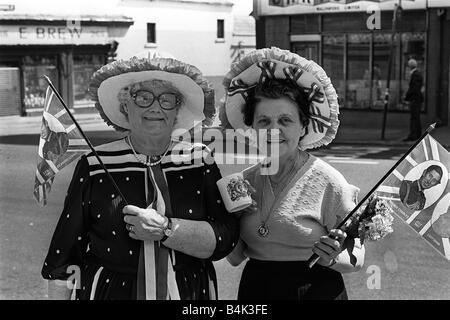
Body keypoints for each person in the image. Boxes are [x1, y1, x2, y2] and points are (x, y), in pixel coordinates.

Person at [41, 57, 239, 300]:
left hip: (190, 292)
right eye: (143, 97)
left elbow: (225, 236)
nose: (155, 107)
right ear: (126, 106)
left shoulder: (199, 159)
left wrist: (166, 229)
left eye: (167, 99)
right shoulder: (94, 164)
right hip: (110, 292)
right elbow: (65, 256)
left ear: (177, 110)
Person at [220, 47, 365, 300]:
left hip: (315, 289)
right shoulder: (244, 181)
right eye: (264, 121)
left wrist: (332, 258)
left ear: (303, 126)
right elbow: (235, 257)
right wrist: (230, 222)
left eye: (285, 120)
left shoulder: (330, 182)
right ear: (252, 127)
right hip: (256, 289)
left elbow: (357, 259)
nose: (273, 130)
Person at [403, 58, 424, 141]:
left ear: (409, 66)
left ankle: (413, 135)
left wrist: (407, 97)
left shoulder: (415, 75)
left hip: (415, 99)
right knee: (416, 117)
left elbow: (414, 88)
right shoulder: (417, 74)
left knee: (414, 118)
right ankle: (417, 134)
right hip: (416, 99)